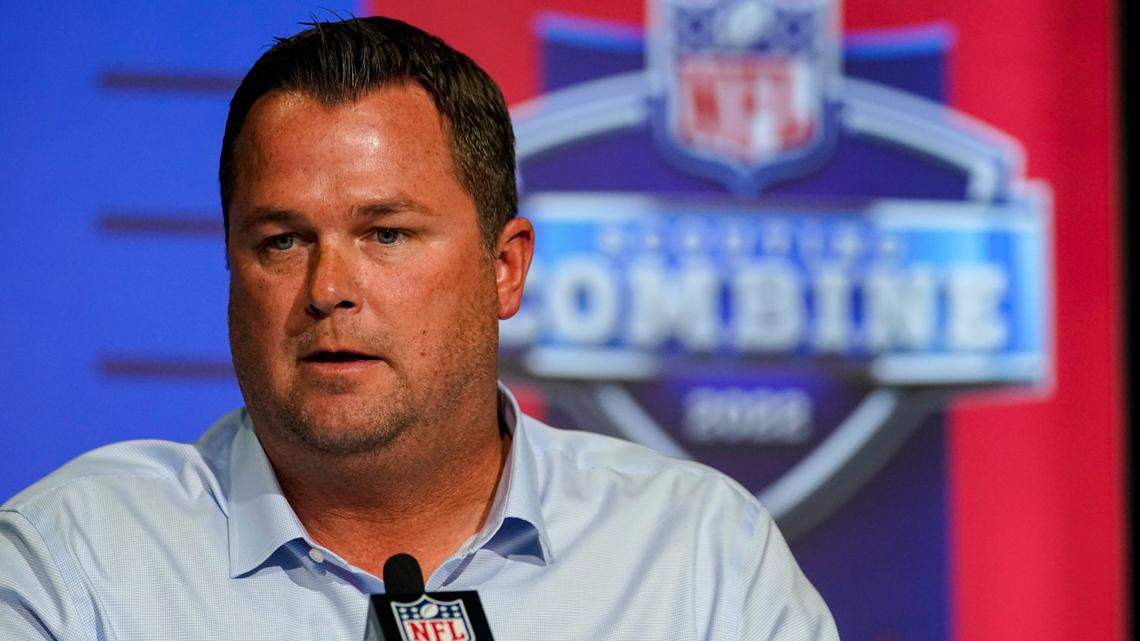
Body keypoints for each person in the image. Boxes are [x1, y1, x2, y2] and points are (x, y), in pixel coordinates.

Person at [0, 16, 837, 640]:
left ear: (503, 268)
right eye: (282, 240)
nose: (329, 289)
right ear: (230, 267)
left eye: (386, 234)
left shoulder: (696, 557)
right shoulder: (76, 565)